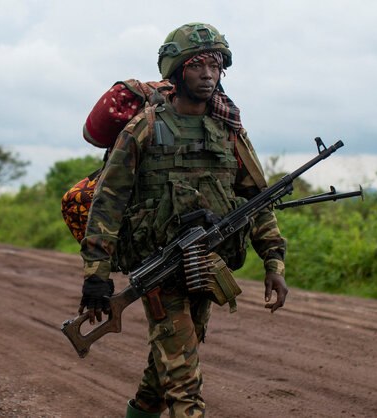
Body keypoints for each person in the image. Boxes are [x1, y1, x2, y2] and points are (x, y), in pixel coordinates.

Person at [77, 23, 288, 417]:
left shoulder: (228, 130)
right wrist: (96, 277)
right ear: (178, 70)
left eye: (216, 66)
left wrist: (273, 261)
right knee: (185, 384)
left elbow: (254, 199)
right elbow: (108, 203)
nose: (209, 75)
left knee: (166, 370)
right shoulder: (144, 129)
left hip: (207, 268)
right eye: (198, 66)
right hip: (160, 272)